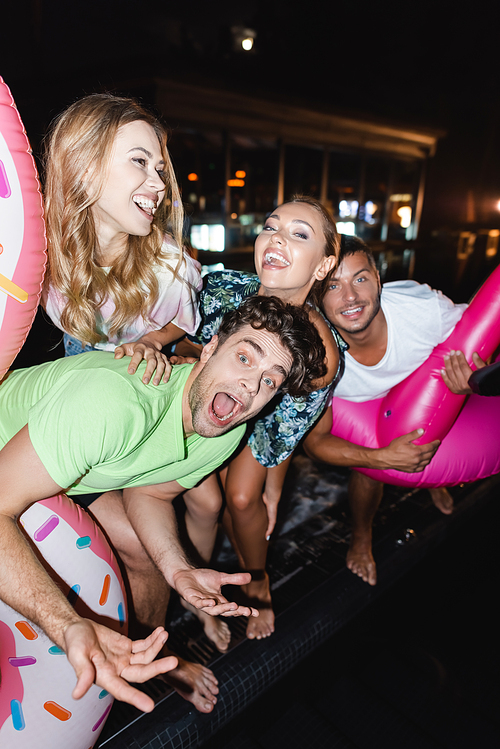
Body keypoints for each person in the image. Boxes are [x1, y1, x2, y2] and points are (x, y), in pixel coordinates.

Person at [0, 296, 326, 713]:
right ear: (209, 349)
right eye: (244, 357)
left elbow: (151, 493)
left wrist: (180, 571)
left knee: (151, 555)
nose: (250, 385)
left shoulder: (223, 430)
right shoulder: (115, 403)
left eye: (269, 381)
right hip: (11, 458)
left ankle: (150, 657)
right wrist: (66, 626)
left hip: (75, 473)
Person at [175, 196, 346, 642]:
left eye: (299, 234)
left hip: (266, 423)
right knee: (209, 503)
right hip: (205, 397)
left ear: (323, 264)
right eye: (272, 226)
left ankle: (258, 579)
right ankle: (195, 589)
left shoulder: (318, 357)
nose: (276, 239)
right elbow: (182, 348)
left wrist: (271, 485)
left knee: (246, 499)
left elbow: (282, 430)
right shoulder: (221, 289)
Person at [304, 235, 487, 586]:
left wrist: (473, 379)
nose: (351, 297)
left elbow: (482, 345)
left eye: (360, 279)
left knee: (446, 398)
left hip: (417, 377)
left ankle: (434, 478)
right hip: (356, 401)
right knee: (370, 467)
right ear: (317, 296)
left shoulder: (423, 309)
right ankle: (361, 536)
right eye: (333, 286)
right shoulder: (318, 355)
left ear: (378, 278)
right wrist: (382, 458)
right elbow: (316, 443)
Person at [42, 93, 202, 385]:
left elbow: (182, 319)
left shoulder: (169, 267)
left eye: (160, 170)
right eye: (139, 160)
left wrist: (152, 342)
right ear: (84, 169)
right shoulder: (38, 255)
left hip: (131, 373)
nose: (159, 184)